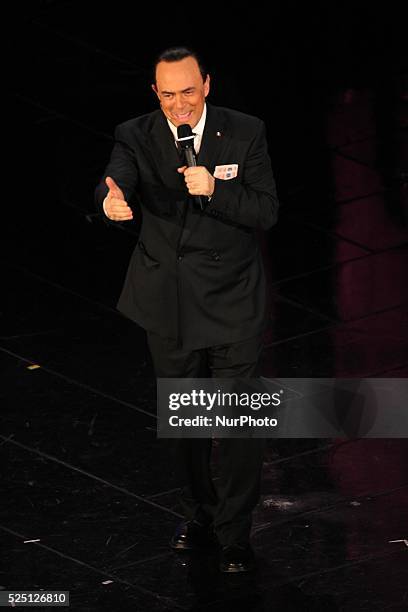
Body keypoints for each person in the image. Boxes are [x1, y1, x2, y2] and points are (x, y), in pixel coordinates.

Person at [95, 47, 279, 573]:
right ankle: (200, 513)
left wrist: (217, 189)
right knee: (185, 419)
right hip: (168, 300)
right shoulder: (135, 133)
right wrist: (110, 203)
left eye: (188, 91)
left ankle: (236, 531)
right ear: (155, 92)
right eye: (167, 94)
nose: (178, 104)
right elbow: (116, 176)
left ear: (207, 86)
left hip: (232, 296)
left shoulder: (246, 130)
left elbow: (266, 210)